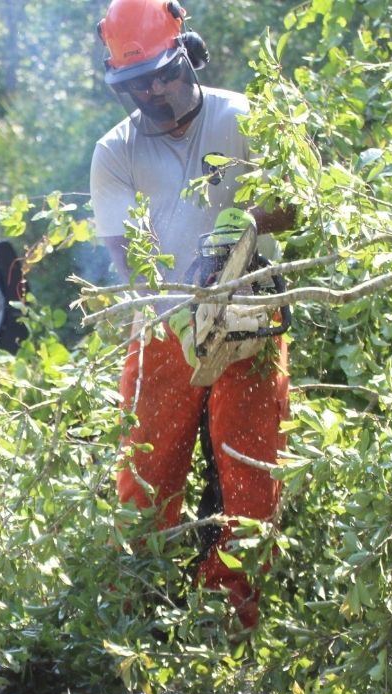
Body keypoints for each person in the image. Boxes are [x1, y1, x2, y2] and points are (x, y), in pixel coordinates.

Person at [90, 0, 293, 629]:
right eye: (137, 84)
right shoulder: (115, 152)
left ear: (188, 57)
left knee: (252, 472)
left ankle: (229, 620)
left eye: (161, 75)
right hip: (161, 329)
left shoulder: (246, 117)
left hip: (251, 316)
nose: (153, 92)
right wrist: (171, 310)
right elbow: (125, 254)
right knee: (144, 479)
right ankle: (138, 618)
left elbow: (295, 200)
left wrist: (249, 222)